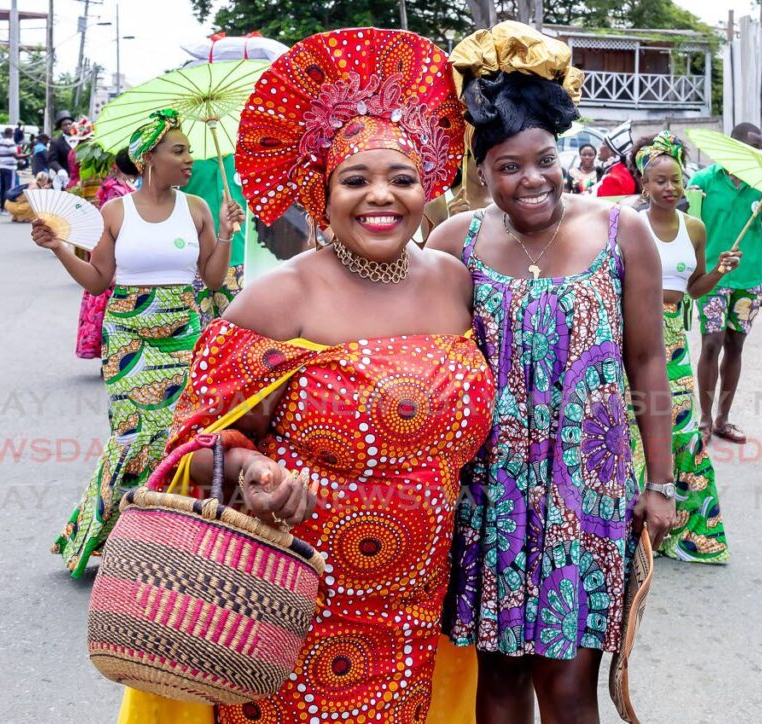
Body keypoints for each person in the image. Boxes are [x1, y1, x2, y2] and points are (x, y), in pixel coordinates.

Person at [115, 28, 494, 724]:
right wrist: (255, 473)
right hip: (293, 602)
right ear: (322, 194)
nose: (381, 196)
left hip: (422, 606)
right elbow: (192, 445)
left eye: (401, 179)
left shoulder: (455, 282)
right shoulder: (278, 298)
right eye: (356, 180)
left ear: (426, 188)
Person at [429, 22, 675, 723]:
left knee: (569, 691)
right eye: (508, 167)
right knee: (499, 687)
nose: (531, 179)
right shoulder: (456, 242)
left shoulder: (621, 232)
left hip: (586, 495)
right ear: (481, 173)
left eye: (543, 160)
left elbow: (647, 360)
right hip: (489, 494)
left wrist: (660, 482)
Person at [34, 108, 244, 576]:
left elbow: (210, 280)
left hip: (183, 333)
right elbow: (97, 281)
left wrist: (228, 235)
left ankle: (166, 540)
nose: (189, 160)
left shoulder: (197, 208)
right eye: (179, 151)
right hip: (128, 337)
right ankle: (103, 534)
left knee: (176, 437)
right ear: (149, 157)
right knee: (132, 437)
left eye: (189, 150)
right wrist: (60, 249)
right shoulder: (116, 211)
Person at [634, 131, 738, 564]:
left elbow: (693, 289)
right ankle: (629, 530)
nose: (670, 188)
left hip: (673, 334)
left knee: (679, 428)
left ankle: (686, 530)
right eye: (660, 180)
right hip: (636, 330)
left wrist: (719, 270)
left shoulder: (693, 227)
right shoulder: (628, 222)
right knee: (634, 420)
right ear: (644, 185)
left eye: (675, 179)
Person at [687, 121, 762, 445]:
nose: (759, 153)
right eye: (753, 147)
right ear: (737, 146)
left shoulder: (761, 185)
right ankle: (704, 417)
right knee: (711, 342)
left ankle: (723, 420)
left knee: (735, 345)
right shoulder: (703, 181)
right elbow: (689, 226)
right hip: (713, 276)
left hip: (748, 277)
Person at [74, 149, 140, 360]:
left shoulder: (124, 188)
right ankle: (109, 355)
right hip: (114, 256)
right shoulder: (115, 190)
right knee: (108, 307)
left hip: (119, 254)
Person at [596, 121, 637, 198]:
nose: (599, 146)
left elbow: (611, 208)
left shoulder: (613, 178)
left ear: (611, 152)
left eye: (603, 144)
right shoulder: (621, 171)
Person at [0, 127, 19, 215]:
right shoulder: (10, 142)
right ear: (11, 133)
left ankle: (1, 208)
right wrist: (29, 154)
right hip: (10, 168)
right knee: (10, 189)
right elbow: (16, 156)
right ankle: (7, 208)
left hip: (2, 167)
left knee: (3, 188)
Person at [47, 109, 74, 190]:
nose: (68, 126)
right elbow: (52, 160)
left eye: (70, 124)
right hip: (64, 178)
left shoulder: (81, 139)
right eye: (65, 125)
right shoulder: (56, 142)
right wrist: (60, 170)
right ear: (61, 128)